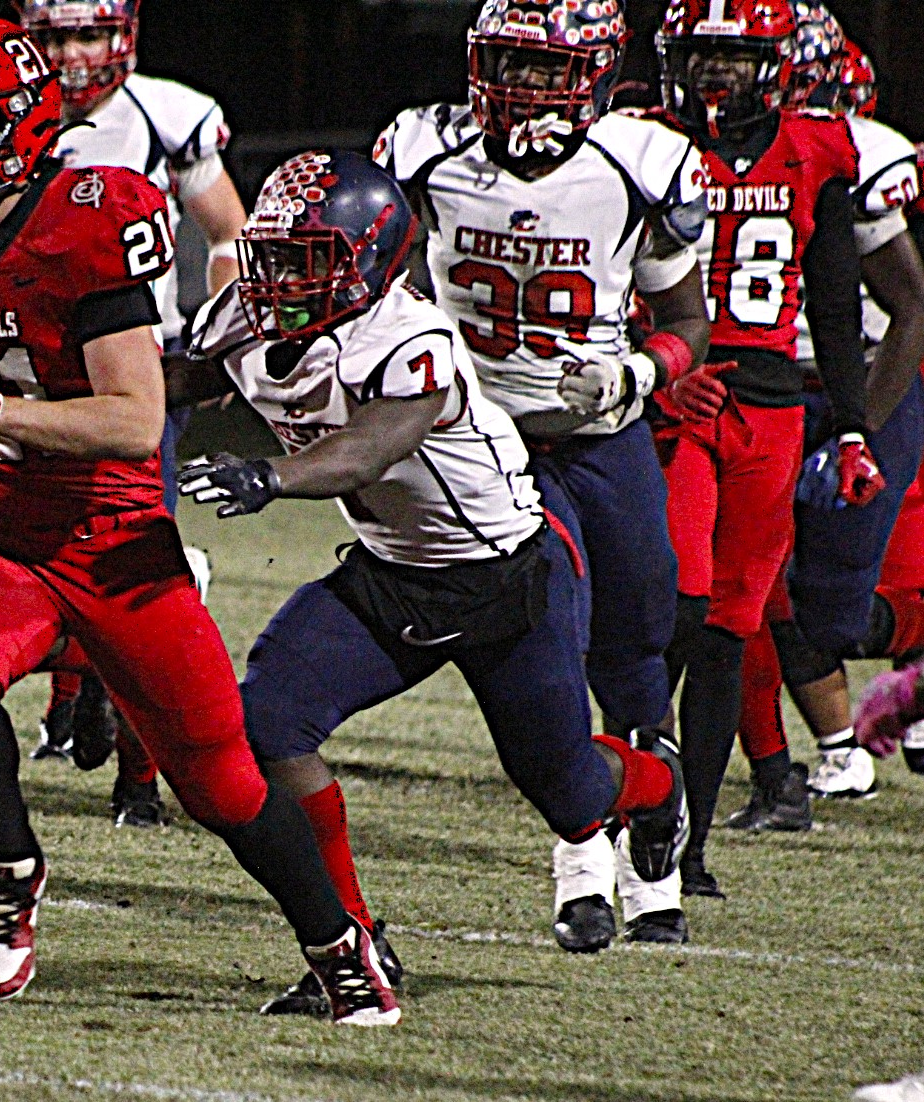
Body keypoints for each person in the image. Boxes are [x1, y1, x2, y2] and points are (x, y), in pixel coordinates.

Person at [0, 15, 398, 1023]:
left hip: (113, 534)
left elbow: (132, 420)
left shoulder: (89, 218)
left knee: (222, 785)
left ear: (24, 121)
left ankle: (338, 948)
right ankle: (11, 868)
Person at [171, 150, 688, 1017]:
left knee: (569, 790)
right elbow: (169, 382)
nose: (279, 280)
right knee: (266, 723)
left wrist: (269, 475)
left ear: (369, 261)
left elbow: (367, 449)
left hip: (503, 579)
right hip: (391, 576)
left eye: (306, 261)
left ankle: (656, 784)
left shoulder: (411, 337)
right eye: (273, 256)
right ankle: (352, 941)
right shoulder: (245, 314)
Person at [372, 0, 712, 950]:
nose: (520, 86)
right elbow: (379, 281)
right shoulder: (426, 152)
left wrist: (636, 372)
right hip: (488, 447)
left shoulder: (638, 163)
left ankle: (654, 858)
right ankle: (581, 866)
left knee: (637, 648)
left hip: (604, 439)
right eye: (507, 62)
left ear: (594, 71)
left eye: (543, 67)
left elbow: (687, 322)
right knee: (552, 642)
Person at [652, 0, 879, 897]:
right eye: (700, 53)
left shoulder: (816, 150)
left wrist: (854, 426)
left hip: (770, 408)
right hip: (678, 397)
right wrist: (652, 371)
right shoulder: (644, 142)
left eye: (734, 55)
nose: (714, 71)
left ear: (774, 63)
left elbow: (834, 300)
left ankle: (689, 848)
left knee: (727, 629)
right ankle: (637, 817)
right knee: (669, 613)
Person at [15, 0, 248, 827]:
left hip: (136, 366)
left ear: (122, 35)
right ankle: (73, 695)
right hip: (35, 366)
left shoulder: (165, 115)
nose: (72, 54)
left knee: (132, 563)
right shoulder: (4, 114)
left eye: (88, 33)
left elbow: (228, 234)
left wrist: (218, 340)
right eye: (54, 36)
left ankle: (138, 778)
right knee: (40, 552)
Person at [729, 19, 924, 822]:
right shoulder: (700, 152)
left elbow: (910, 308)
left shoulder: (857, 153)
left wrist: (855, 430)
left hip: (864, 383)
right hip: (759, 384)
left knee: (828, 614)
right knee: (744, 591)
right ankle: (815, 764)